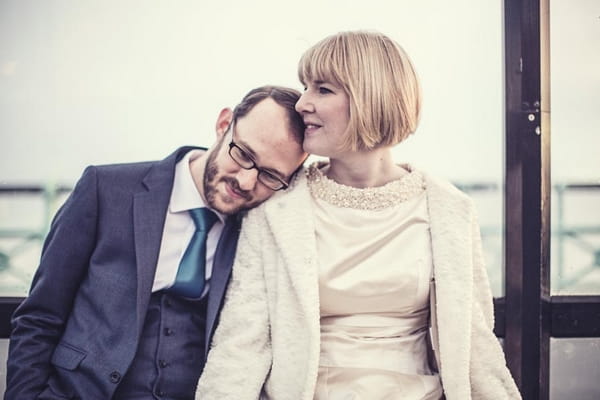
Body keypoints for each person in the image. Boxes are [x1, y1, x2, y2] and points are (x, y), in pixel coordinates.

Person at [196, 32, 522, 400]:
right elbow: (240, 347)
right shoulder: (276, 212)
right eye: (306, 87)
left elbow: (476, 347)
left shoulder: (450, 210)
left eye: (322, 89)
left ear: (371, 98)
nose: (302, 103)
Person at [4, 85, 308, 400]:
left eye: (270, 176)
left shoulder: (260, 230)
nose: (246, 181)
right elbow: (40, 316)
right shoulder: (105, 189)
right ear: (223, 125)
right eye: (243, 154)